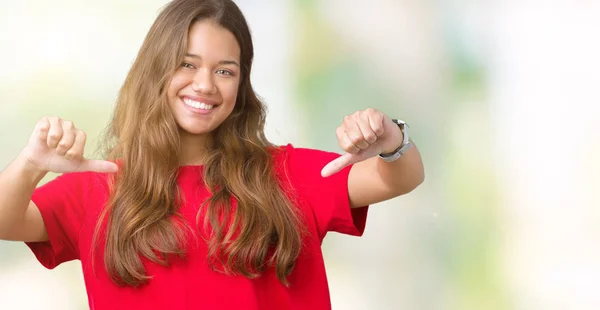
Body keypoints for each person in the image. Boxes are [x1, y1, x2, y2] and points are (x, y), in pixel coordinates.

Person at [0, 0, 424, 309]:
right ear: (156, 71)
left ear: (241, 86)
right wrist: (31, 164)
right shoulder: (99, 187)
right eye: (187, 64)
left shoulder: (283, 174)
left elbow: (401, 177)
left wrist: (391, 140)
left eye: (225, 70)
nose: (205, 84)